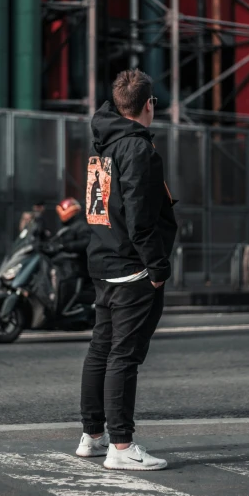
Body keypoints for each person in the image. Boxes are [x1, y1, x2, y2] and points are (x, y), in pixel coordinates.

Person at [77, 69, 177, 471]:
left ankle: (93, 436)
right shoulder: (137, 150)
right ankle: (120, 446)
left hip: (104, 259)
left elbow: (97, 207)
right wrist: (157, 268)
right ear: (148, 104)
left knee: (102, 349)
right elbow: (140, 218)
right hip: (132, 267)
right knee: (124, 356)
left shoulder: (103, 146)